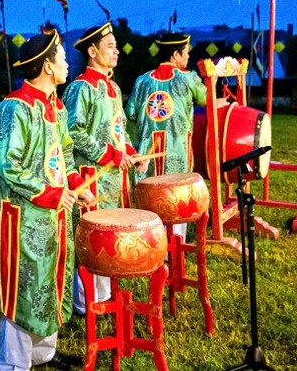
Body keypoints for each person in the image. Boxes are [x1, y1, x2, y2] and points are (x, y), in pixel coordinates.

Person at [0, 30, 95, 371]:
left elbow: (63, 152)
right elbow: (8, 164)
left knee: (50, 277)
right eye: (62, 58)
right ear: (47, 66)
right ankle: (14, 363)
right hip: (23, 217)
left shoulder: (56, 106)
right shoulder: (15, 108)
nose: (67, 64)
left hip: (53, 215)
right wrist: (51, 193)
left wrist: (76, 183)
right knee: (24, 284)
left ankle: (44, 353)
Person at [63, 22, 148, 315]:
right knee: (93, 236)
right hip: (92, 177)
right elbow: (72, 131)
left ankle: (109, 295)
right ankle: (84, 303)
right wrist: (109, 154)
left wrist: (133, 153)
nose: (116, 51)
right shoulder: (80, 89)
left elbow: (119, 129)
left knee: (114, 232)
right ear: (92, 51)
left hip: (117, 176)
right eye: (110, 46)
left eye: (115, 45)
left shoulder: (113, 87)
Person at [125, 32, 207, 241]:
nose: (187, 57)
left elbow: (131, 113)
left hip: (146, 153)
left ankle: (150, 243)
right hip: (176, 151)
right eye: (186, 53)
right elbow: (207, 100)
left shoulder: (142, 80)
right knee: (176, 195)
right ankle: (175, 247)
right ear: (176, 54)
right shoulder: (189, 78)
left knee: (149, 196)